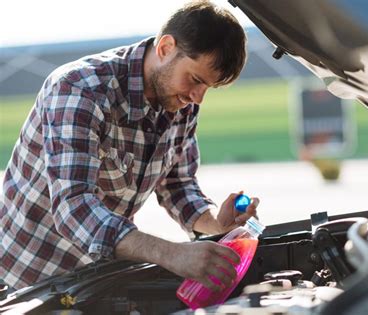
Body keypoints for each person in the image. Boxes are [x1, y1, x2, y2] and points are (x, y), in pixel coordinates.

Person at [0, 1, 259, 292]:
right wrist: (170, 253)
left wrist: (216, 224)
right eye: (196, 79)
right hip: (21, 283)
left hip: (91, 284)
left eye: (207, 88)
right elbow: (74, 206)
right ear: (165, 48)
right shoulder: (81, 89)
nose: (198, 98)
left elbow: (178, 185)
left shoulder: (180, 102)